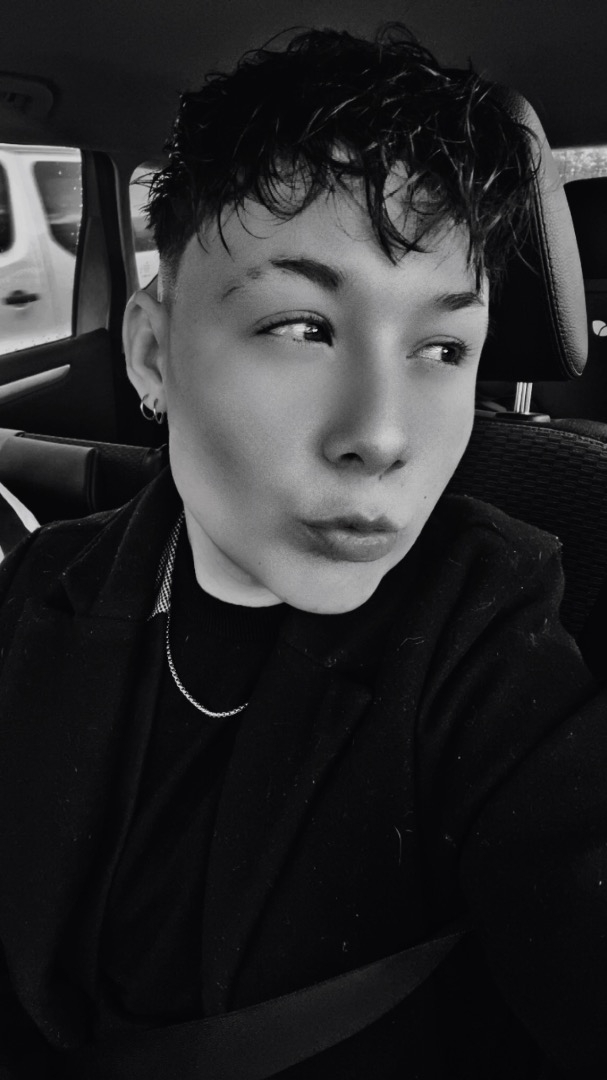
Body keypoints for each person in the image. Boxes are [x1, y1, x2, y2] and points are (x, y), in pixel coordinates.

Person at [0, 24, 606, 1080]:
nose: (381, 433)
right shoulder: (44, 585)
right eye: (302, 328)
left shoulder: (490, 631)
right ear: (152, 351)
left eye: (441, 347)